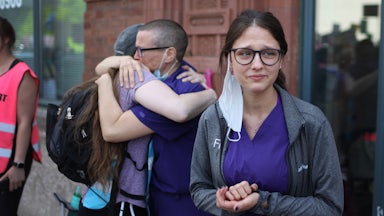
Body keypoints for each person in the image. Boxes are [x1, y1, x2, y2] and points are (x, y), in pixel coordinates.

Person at [189, 10, 344, 215]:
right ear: (230, 61)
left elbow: (330, 207)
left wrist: (263, 202)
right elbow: (199, 188)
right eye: (245, 53)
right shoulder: (214, 119)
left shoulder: (311, 123)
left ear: (281, 60)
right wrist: (226, 199)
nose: (257, 65)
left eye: (268, 53)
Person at [80, 23, 216, 215]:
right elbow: (100, 67)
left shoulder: (177, 93)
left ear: (169, 54)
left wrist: (213, 95)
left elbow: (113, 130)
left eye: (141, 50)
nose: (135, 57)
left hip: (181, 201)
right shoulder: (177, 75)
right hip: (161, 194)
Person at [0, 16, 42, 215]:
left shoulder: (22, 74)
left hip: (12, 157)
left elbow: (25, 122)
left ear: (6, 39)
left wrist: (18, 165)